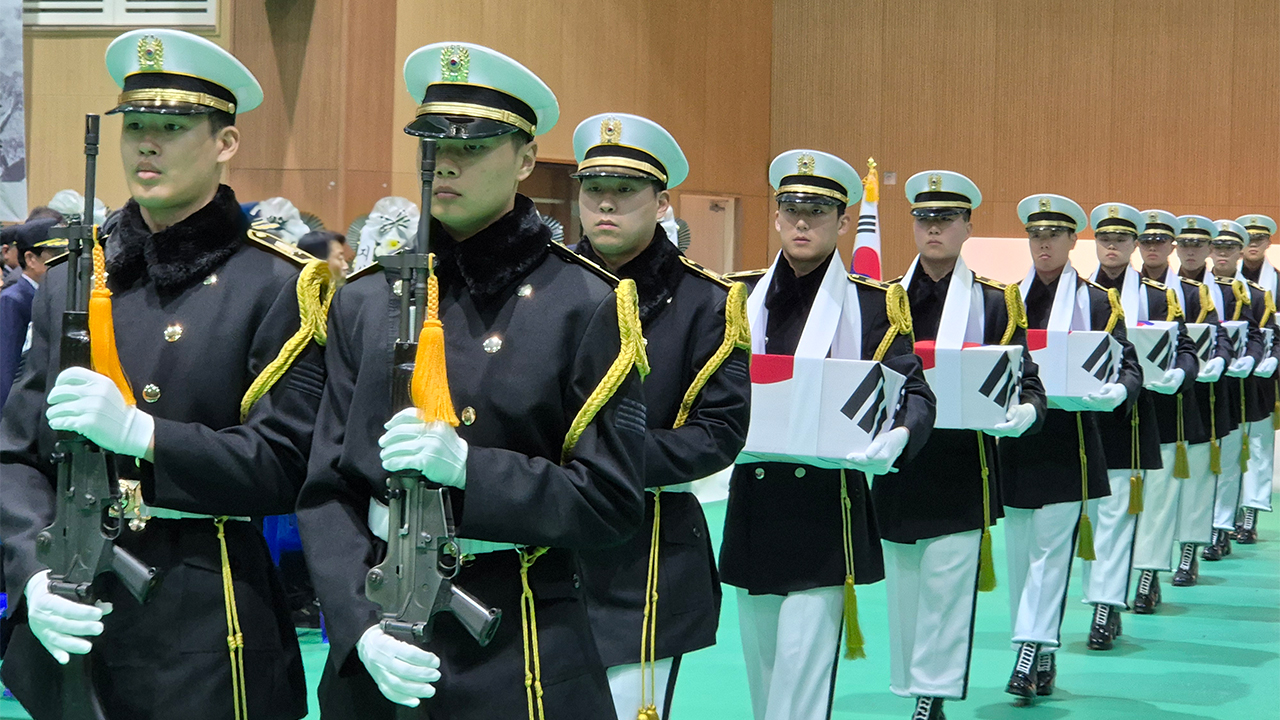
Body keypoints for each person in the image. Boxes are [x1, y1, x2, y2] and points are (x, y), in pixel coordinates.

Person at [295, 42, 648, 719]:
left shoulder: (584, 302)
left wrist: (471, 469)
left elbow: (610, 501)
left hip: (518, 642)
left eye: (476, 143)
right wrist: (356, 622)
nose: (446, 161)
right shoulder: (366, 299)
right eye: (431, 142)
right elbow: (325, 489)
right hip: (381, 639)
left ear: (523, 159)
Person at [0, 29, 330, 720]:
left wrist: (147, 435)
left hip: (208, 623)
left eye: (173, 126)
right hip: (76, 611)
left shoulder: (274, 285)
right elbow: (17, 456)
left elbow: (289, 466)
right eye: (137, 126)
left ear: (226, 142)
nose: (147, 144)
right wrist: (32, 573)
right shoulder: (73, 280)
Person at [719, 149, 935, 720]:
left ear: (843, 221)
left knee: (802, 675)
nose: (802, 221)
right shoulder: (738, 299)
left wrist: (900, 436)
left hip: (825, 505)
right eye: (791, 207)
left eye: (817, 209)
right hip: (754, 502)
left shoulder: (872, 304)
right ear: (776, 217)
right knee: (763, 674)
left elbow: (915, 391)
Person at [568, 112, 751, 720]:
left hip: (643, 550)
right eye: (595, 190)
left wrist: (594, 465)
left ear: (661, 201)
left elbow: (718, 434)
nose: (606, 206)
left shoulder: (709, 302)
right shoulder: (543, 288)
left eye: (626, 191)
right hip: (536, 547)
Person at [881, 171, 1045, 720]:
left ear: (968, 225)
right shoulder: (882, 301)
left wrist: (1026, 411)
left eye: (946, 219)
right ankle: (912, 687)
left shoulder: (997, 302)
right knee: (904, 589)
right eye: (925, 218)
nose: (934, 229)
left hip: (959, 466)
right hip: (897, 464)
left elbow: (1028, 380)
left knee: (948, 590)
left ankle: (933, 695)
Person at [998, 193, 1139, 703]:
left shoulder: (1098, 301)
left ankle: (1028, 651)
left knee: (1051, 553)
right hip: (1016, 440)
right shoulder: (1005, 298)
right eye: (1036, 235)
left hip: (1070, 446)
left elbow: (1128, 365)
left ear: (1072, 241)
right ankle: (1043, 649)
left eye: (1053, 235)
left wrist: (1118, 391)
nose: (1043, 244)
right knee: (1020, 556)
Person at [1078, 202, 1172, 648]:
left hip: (1131, 420)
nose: (1112, 246)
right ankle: (1099, 597)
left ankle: (1104, 606)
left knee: (1117, 517)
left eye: (1121, 239)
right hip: (1081, 424)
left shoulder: (1157, 296)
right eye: (1104, 239)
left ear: (1135, 244)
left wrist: (1179, 373)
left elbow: (1184, 350)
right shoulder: (1076, 295)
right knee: (1089, 521)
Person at [1129, 210, 1219, 611]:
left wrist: (1208, 364)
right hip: (1125, 409)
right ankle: (1118, 582)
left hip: (1177, 406)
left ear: (1172, 246)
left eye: (1160, 241)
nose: (1152, 248)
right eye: (1145, 241)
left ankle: (1161, 567)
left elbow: (1210, 343)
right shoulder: (1119, 293)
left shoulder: (1192, 293)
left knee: (1174, 492)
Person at [1203, 219, 1271, 561]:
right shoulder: (1193, 290)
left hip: (1247, 389)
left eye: (1230, 247)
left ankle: (1224, 524)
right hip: (1202, 389)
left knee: (1239, 457)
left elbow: (1267, 335)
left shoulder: (1255, 295)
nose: (1223, 253)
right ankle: (1203, 529)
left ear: (1240, 250)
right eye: (1218, 247)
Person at [1233, 214, 1278, 543]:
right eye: (1247, 238)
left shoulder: (1277, 281)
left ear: (1268, 243)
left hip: (1264, 376)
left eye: (1259, 239)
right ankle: (1228, 511)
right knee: (1228, 445)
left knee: (1259, 444)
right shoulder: (1215, 280)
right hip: (1228, 373)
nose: (1253, 244)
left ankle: (1251, 510)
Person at [0, 219, 62, 408]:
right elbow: (6, 365)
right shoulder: (13, 299)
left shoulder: (48, 294)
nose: (64, 261)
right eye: (56, 255)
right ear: (31, 259)